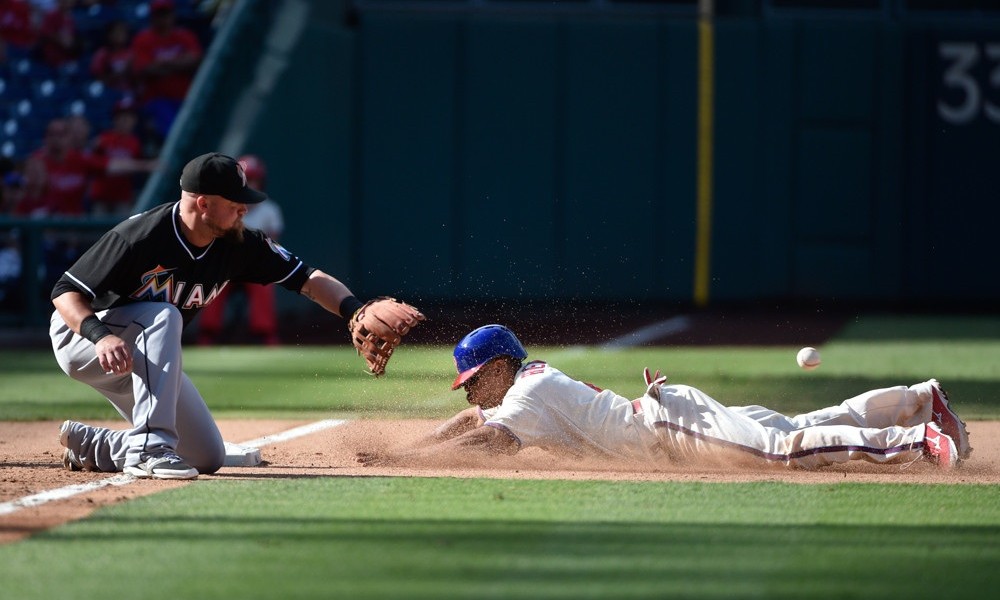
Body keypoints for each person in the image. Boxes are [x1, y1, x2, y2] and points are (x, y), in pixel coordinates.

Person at [51, 152, 424, 480]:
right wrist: (100, 335)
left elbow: (307, 278)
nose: (244, 209)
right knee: (164, 315)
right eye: (235, 202)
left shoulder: (240, 243)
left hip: (142, 355)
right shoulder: (140, 236)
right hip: (84, 339)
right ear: (203, 204)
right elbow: (64, 292)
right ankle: (149, 447)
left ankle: (97, 445)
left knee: (205, 456)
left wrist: (353, 309)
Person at [357, 325, 973, 470]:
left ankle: (917, 438)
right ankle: (920, 401)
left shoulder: (529, 393)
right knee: (800, 423)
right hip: (671, 415)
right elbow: (474, 416)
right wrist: (405, 447)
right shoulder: (523, 383)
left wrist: (406, 461)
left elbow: (489, 438)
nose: (474, 391)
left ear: (496, 367)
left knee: (786, 448)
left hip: (672, 427)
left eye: (474, 378)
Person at [197, 154, 283, 345]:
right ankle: (207, 334)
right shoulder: (222, 207)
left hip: (255, 268)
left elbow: (274, 245)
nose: (251, 184)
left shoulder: (270, 209)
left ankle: (266, 335)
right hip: (225, 266)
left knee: (265, 284)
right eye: (246, 180)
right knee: (212, 282)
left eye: (255, 180)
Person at [129, 0, 202, 141]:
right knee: (172, 134)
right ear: (152, 17)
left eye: (166, 14)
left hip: (186, 97)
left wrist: (163, 64)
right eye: (159, 15)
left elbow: (195, 59)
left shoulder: (184, 36)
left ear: (173, 15)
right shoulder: (143, 39)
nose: (163, 18)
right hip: (157, 99)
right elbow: (146, 68)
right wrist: (179, 64)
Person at [87, 98, 146, 216]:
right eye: (121, 117)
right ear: (115, 119)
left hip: (122, 196)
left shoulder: (135, 143)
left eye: (129, 117)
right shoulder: (103, 139)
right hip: (101, 195)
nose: (125, 120)